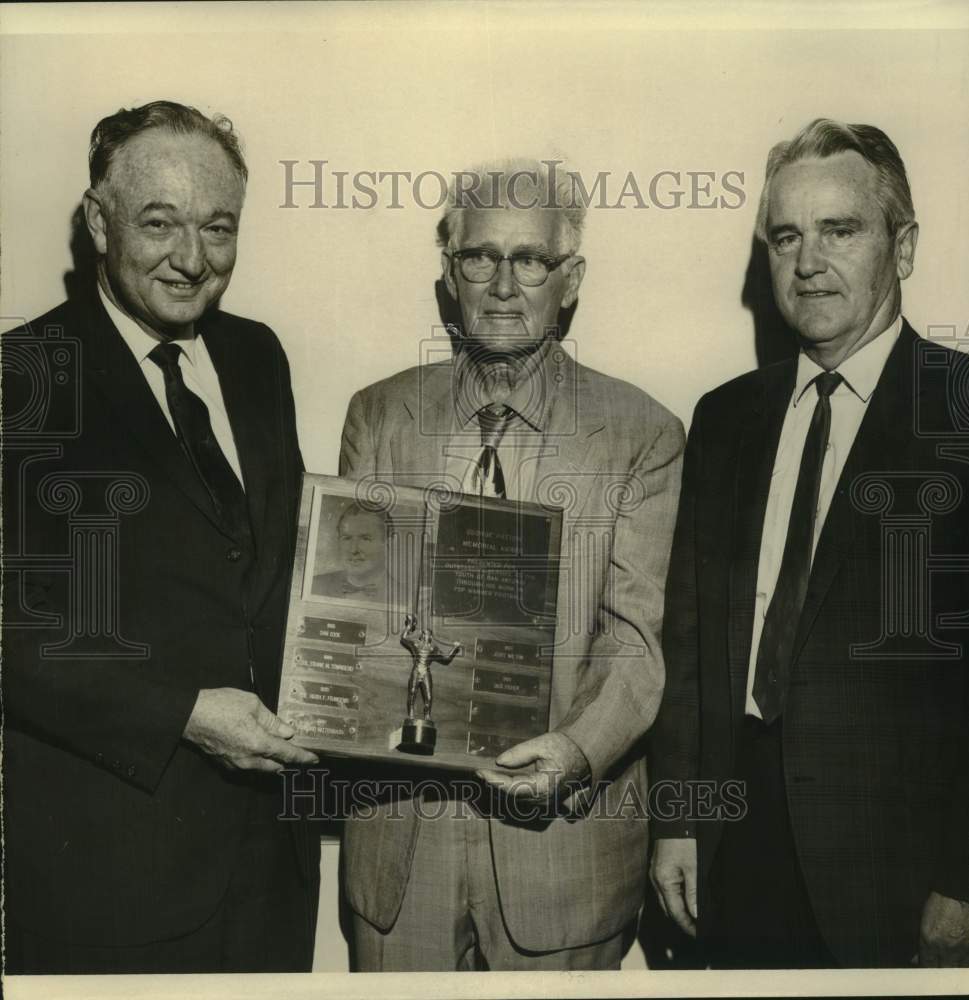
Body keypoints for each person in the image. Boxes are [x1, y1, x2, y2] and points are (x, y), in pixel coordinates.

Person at [337, 159, 685, 970]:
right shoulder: (378, 414)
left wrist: (573, 754)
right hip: (400, 846)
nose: (501, 285)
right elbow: (352, 611)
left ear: (570, 280)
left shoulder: (642, 434)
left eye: (530, 260)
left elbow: (635, 645)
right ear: (448, 273)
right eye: (478, 257)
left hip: (561, 854)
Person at [1, 100, 320, 974]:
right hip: (111, 871)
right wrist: (181, 715)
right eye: (159, 223)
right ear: (98, 221)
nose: (193, 259)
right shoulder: (23, 378)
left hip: (273, 868)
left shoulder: (258, 357)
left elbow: (274, 568)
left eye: (219, 227)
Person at [650, 118, 969, 968]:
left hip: (900, 875)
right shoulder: (723, 420)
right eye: (784, 236)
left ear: (901, 246)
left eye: (840, 230)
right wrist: (678, 818)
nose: (806, 263)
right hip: (733, 851)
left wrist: (966, 878)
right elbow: (688, 648)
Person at [312, 502, 387, 600]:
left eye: (365, 539)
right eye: (347, 538)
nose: (353, 549)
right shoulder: (315, 585)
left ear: (387, 543)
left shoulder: (405, 596)